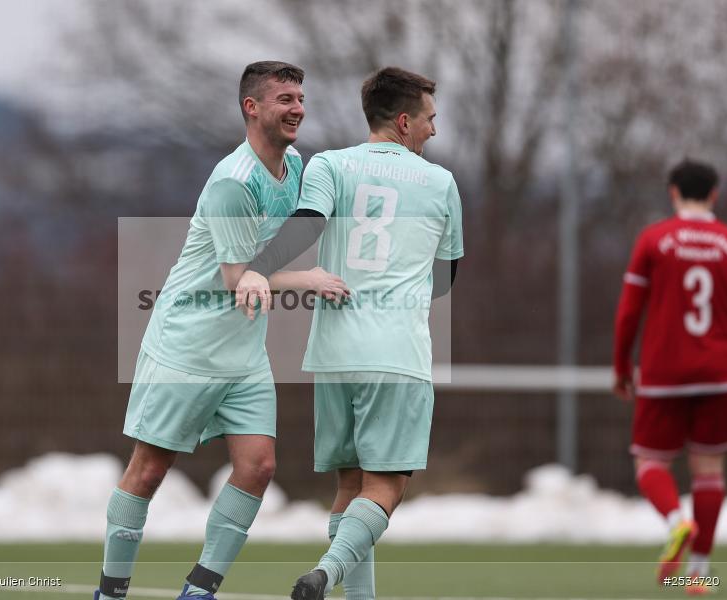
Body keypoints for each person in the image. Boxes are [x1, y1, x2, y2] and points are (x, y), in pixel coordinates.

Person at [94, 61, 349, 600]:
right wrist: (310, 278)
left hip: (243, 352)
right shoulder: (234, 184)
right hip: (187, 347)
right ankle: (110, 591)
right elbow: (240, 279)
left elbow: (305, 223)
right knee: (148, 472)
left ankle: (200, 590)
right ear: (251, 108)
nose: (298, 107)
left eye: (300, 97)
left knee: (258, 468)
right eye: (284, 98)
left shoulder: (294, 165)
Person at [236, 66, 463, 600]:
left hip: (335, 352)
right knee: (385, 488)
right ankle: (327, 574)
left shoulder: (330, 165)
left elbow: (307, 224)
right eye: (430, 119)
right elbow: (446, 276)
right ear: (404, 121)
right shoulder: (441, 181)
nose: (434, 129)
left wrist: (256, 266)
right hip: (396, 352)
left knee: (348, 486)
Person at [613, 159, 727, 594]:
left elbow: (629, 311)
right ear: (715, 194)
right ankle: (698, 573)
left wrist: (622, 366)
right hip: (721, 375)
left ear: (673, 192)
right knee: (709, 470)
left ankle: (674, 521)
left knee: (650, 462)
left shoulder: (655, 240)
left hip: (666, 373)